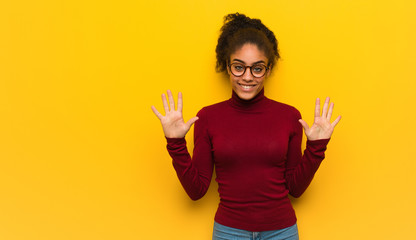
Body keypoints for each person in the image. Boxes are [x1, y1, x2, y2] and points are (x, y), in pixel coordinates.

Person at [151, 13, 341, 240]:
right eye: (239, 67)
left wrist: (316, 148)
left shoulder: (290, 116)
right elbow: (196, 191)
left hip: (281, 231)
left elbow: (295, 188)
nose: (247, 77)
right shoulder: (208, 117)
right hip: (228, 232)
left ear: (268, 70)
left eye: (257, 68)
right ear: (227, 66)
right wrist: (175, 144)